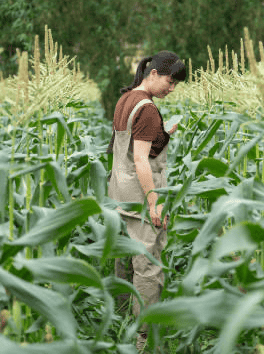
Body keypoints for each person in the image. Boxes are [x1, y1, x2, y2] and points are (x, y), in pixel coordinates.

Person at [107, 50, 186, 349]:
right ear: (153, 74)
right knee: (147, 266)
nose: (172, 88)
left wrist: (162, 134)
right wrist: (154, 202)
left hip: (119, 194)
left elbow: (126, 149)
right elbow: (141, 160)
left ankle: (121, 321)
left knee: (123, 260)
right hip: (139, 198)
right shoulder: (148, 109)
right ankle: (144, 338)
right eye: (170, 80)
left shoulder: (126, 99)